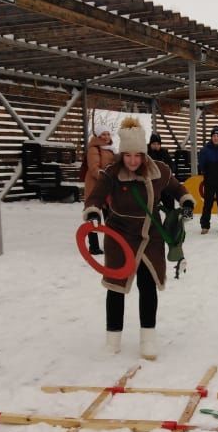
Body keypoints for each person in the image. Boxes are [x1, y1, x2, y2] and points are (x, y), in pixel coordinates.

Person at [83, 117, 195, 359]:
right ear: (122, 154)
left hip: (149, 238)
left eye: (137, 155)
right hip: (119, 236)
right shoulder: (112, 173)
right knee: (115, 288)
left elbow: (177, 188)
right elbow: (95, 197)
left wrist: (186, 203)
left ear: (144, 154)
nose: (133, 160)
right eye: (128, 155)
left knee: (147, 286)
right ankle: (112, 340)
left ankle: (148, 339)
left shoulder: (158, 171)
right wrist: (92, 214)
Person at [83, 128, 115, 255]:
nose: (106, 136)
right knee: (94, 217)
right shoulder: (94, 148)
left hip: (107, 188)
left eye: (108, 134)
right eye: (103, 134)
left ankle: (111, 243)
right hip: (95, 187)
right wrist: (107, 178)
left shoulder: (111, 149)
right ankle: (94, 246)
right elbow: (93, 168)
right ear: (98, 135)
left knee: (111, 217)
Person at [198, 126, 218, 235]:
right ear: (211, 137)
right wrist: (208, 173)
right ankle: (205, 225)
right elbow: (202, 165)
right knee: (208, 203)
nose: (216, 138)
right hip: (210, 180)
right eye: (214, 136)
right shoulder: (205, 150)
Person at [147, 132, 176, 210]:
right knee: (152, 208)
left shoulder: (164, 153)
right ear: (150, 144)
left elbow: (171, 165)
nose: (156, 146)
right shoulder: (147, 154)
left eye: (157, 144)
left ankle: (171, 219)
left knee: (170, 203)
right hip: (152, 185)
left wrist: (169, 171)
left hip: (164, 184)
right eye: (154, 144)